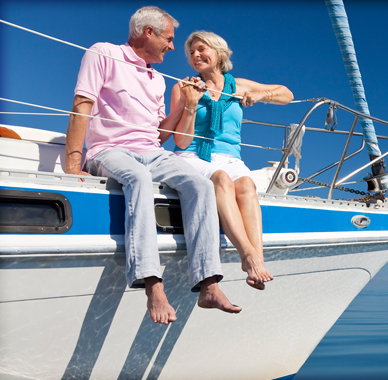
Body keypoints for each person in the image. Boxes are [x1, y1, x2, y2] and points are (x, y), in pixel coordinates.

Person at [64, 6, 241, 325]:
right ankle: (153, 285)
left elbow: (160, 135)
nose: (173, 47)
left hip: (151, 151)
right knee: (138, 178)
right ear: (148, 32)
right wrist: (73, 164)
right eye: (170, 39)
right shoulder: (104, 53)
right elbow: (82, 104)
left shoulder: (157, 79)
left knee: (201, 185)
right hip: (110, 149)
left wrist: (189, 103)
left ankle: (208, 285)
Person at [163, 31, 292, 290]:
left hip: (231, 157)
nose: (195, 55)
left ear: (219, 53)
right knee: (221, 180)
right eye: (191, 52)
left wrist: (261, 96)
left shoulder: (239, 85)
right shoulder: (184, 86)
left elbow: (286, 94)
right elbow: (180, 142)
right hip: (194, 155)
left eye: (201, 49)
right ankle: (249, 256)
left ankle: (258, 261)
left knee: (246, 185)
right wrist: (191, 103)